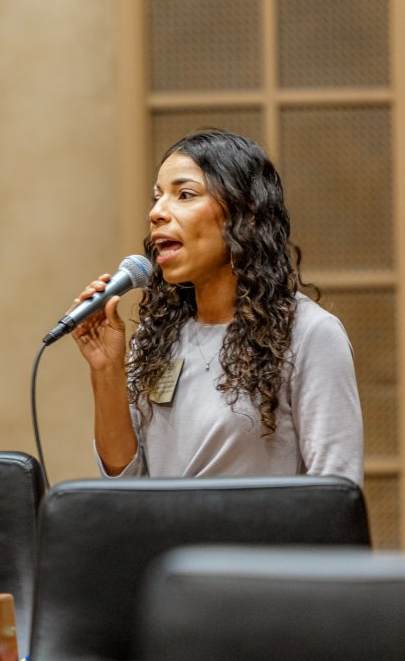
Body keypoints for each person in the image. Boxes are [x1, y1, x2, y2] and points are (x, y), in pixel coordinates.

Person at [71, 129, 364, 487]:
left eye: (185, 194)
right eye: (157, 197)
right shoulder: (157, 334)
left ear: (247, 214)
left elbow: (337, 492)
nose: (157, 212)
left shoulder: (309, 333)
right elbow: (127, 480)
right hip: (164, 542)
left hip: (257, 544)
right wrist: (105, 370)